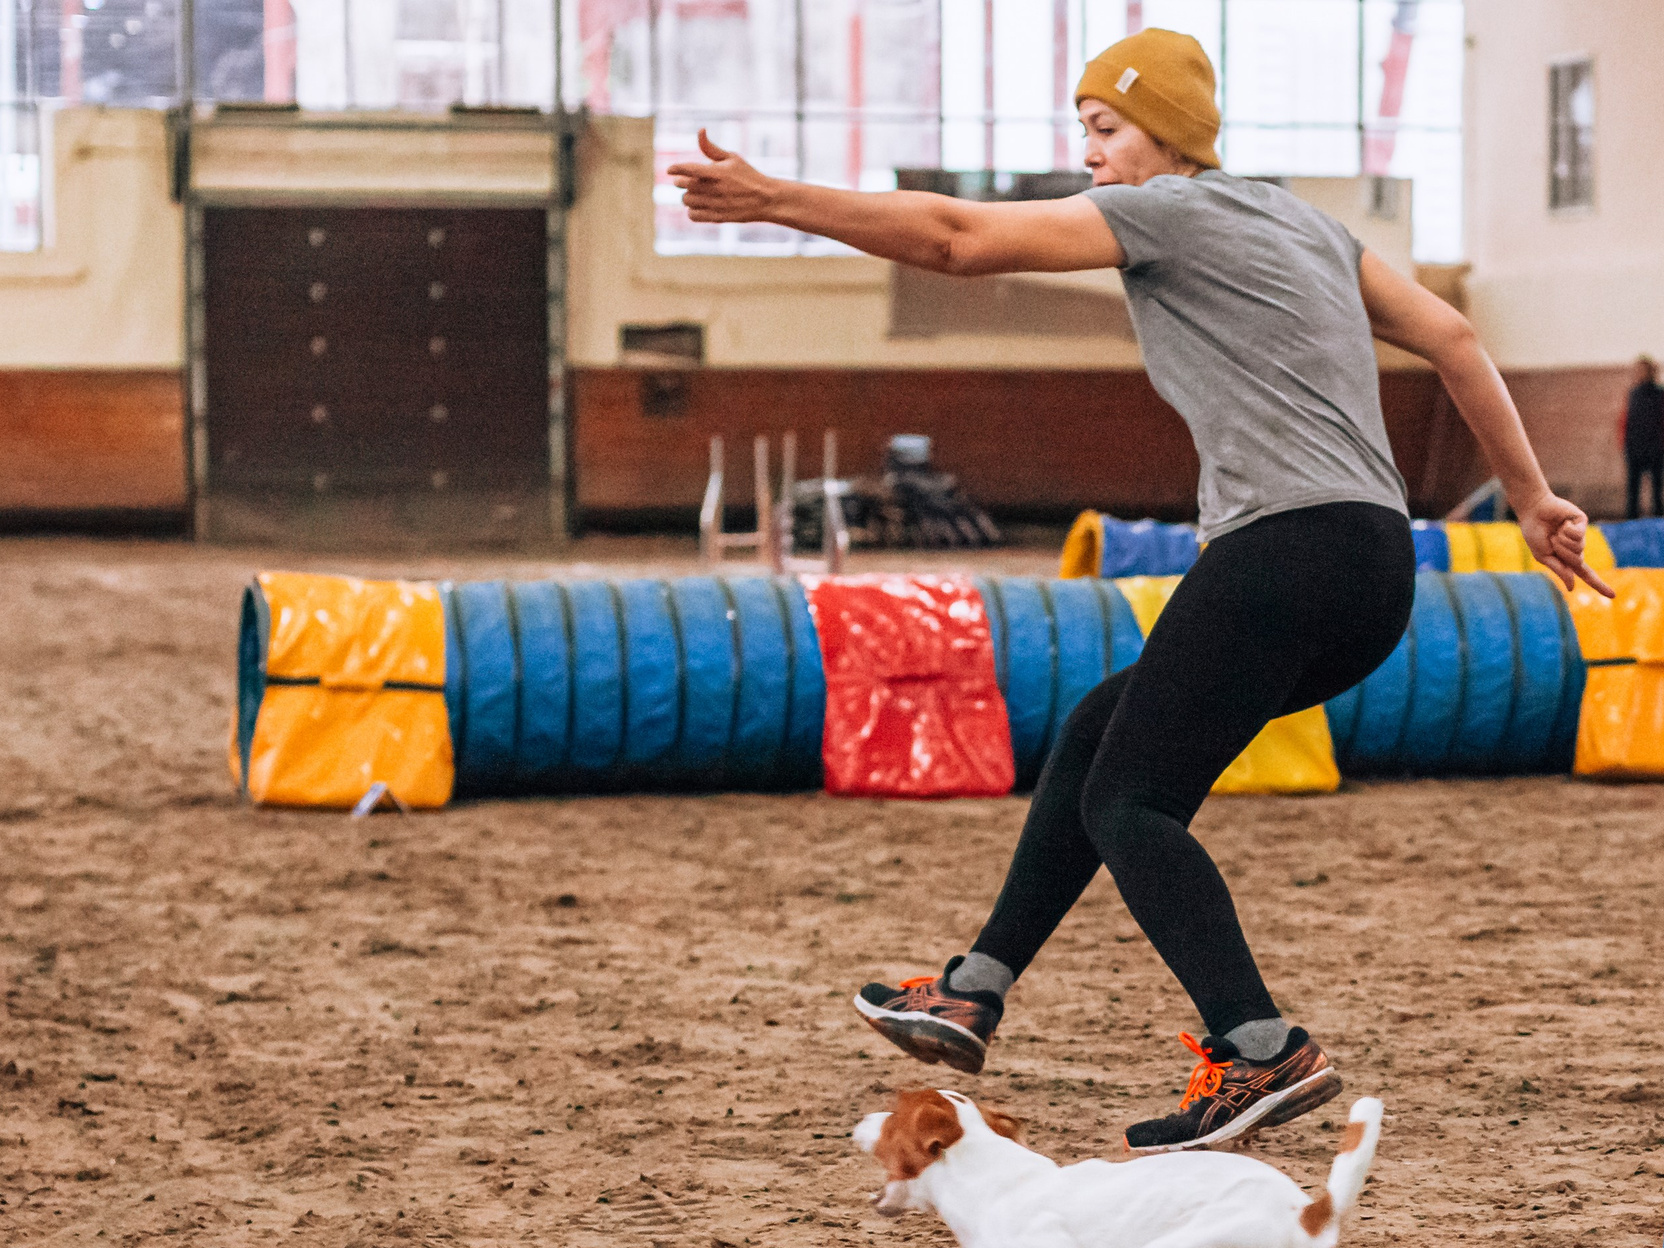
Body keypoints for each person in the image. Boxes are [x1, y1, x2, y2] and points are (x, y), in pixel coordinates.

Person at [672, 27, 1608, 1153]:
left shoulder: (1166, 213)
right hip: (1374, 567)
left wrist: (777, 199)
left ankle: (1259, 1049)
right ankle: (973, 989)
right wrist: (1531, 497)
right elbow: (1454, 338)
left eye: (1105, 130)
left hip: (1281, 552)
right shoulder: (1310, 226)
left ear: (1167, 135)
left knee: (1133, 803)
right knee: (1101, 729)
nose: (1090, 154)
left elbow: (956, 238)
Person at [1620, 356, 1664, 520]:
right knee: (1633, 493)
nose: (1639, 374)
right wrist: (1626, 443)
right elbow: (1626, 421)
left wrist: (1660, 440)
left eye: (1642, 370)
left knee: (1658, 493)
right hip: (1635, 449)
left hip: (1656, 449)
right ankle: (1631, 526)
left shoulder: (1662, 394)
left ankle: (1659, 526)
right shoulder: (1633, 394)